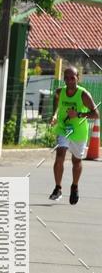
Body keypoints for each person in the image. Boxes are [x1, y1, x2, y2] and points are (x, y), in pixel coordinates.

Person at [49, 66, 99, 204]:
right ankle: (58, 188)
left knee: (76, 161)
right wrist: (54, 115)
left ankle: (74, 186)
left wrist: (78, 114)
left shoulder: (83, 94)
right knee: (60, 156)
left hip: (79, 132)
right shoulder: (60, 92)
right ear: (63, 79)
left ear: (78, 78)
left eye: (72, 77)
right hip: (64, 129)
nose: (69, 80)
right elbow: (56, 102)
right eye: (66, 78)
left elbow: (96, 114)